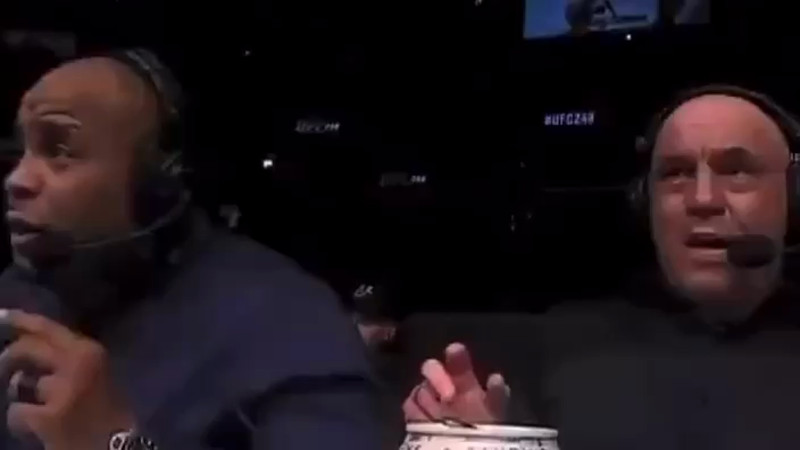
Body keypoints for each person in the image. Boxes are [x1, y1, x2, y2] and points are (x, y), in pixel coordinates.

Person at [0, 49, 381, 450]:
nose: (17, 179)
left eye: (60, 150)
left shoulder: (290, 325)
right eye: (22, 149)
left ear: (156, 185)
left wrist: (116, 442)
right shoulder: (20, 293)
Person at [401, 85, 800, 449]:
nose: (703, 199)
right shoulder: (558, 348)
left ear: (794, 195)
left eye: (737, 171)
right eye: (676, 174)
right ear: (645, 202)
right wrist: (476, 439)